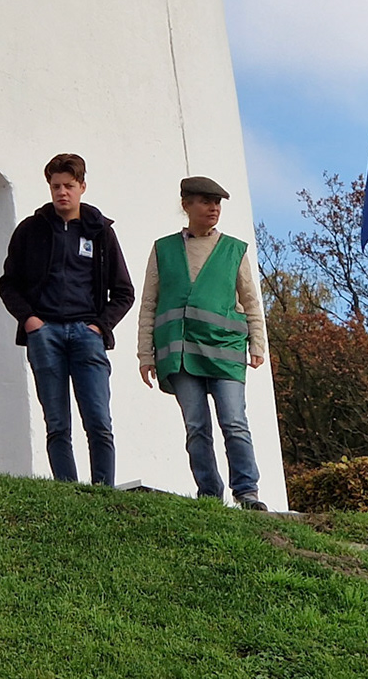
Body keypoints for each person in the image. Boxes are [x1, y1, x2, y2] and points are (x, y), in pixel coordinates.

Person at [0, 153, 135, 486]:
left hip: (87, 334)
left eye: (69, 186)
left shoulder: (101, 232)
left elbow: (124, 291)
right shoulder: (30, 230)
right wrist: (30, 320)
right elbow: (8, 283)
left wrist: (100, 326)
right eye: (56, 186)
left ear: (82, 187)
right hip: (45, 334)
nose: (62, 192)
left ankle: (103, 489)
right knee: (57, 423)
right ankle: (66, 489)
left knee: (99, 420)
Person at [138, 176, 269, 510]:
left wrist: (257, 344)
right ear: (186, 205)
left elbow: (251, 301)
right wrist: (145, 354)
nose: (213, 208)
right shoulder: (163, 249)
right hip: (180, 353)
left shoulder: (234, 250)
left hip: (225, 352)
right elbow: (149, 303)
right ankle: (209, 494)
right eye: (205, 201)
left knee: (234, 423)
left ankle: (247, 492)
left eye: (217, 203)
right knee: (196, 427)